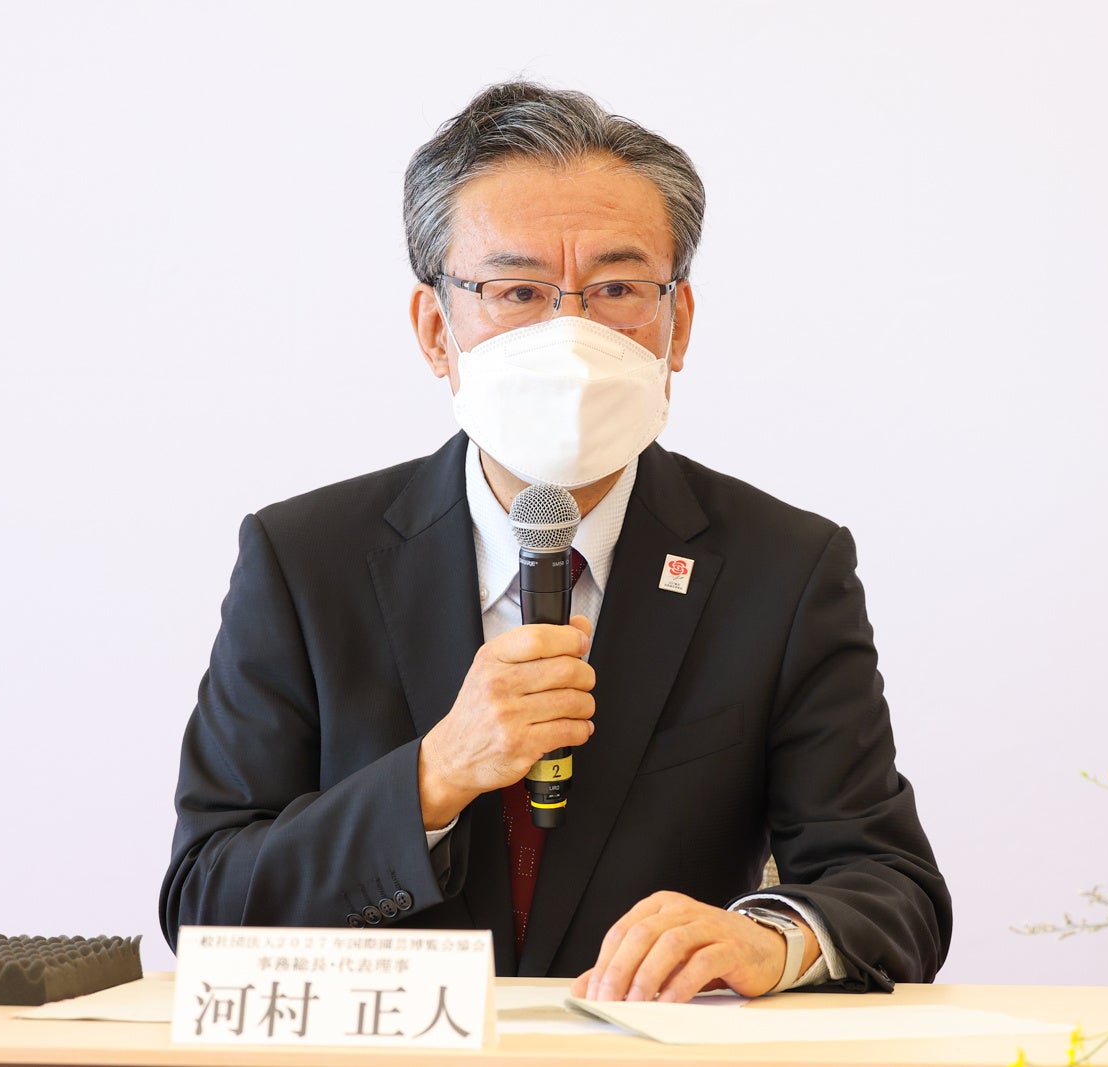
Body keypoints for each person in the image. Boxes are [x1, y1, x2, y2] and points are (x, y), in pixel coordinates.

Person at [160, 81, 951, 1003]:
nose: (570, 333)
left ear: (677, 324)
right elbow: (206, 902)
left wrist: (773, 940)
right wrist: (435, 774)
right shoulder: (305, 560)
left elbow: (892, 886)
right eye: (518, 291)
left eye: (617, 289)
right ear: (436, 331)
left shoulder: (783, 567)